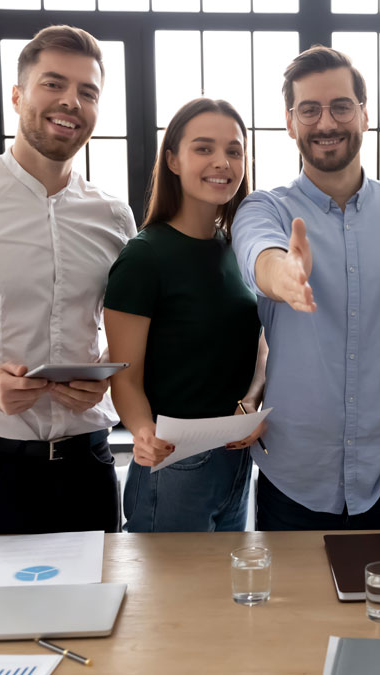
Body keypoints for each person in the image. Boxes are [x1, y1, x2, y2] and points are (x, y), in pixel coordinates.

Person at [0, 26, 136, 535]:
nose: (71, 102)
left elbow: (127, 331)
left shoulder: (115, 217)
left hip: (88, 465)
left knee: (97, 614)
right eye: (53, 84)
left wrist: (101, 374)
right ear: (17, 96)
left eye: (88, 91)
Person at [231, 46, 380, 531]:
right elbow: (260, 259)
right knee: (295, 609)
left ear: (365, 115)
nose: (326, 122)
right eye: (308, 109)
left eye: (341, 106)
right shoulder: (263, 208)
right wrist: (286, 274)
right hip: (293, 477)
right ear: (290, 123)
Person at [103, 98, 266, 532]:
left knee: (219, 599)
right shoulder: (144, 258)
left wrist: (249, 403)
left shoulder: (236, 249)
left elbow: (257, 344)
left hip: (234, 457)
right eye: (204, 148)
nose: (222, 162)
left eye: (234, 150)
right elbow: (124, 375)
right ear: (172, 160)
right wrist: (141, 431)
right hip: (173, 463)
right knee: (168, 599)